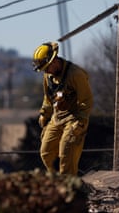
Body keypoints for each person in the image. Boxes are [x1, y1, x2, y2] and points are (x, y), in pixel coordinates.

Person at [32, 41, 93, 176]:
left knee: (67, 152)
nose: (46, 71)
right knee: (46, 153)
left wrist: (80, 121)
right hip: (57, 118)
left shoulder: (76, 74)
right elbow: (48, 98)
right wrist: (44, 113)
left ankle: (68, 186)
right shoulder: (48, 76)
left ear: (55, 61)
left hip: (74, 118)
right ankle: (56, 182)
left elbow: (86, 100)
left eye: (47, 67)